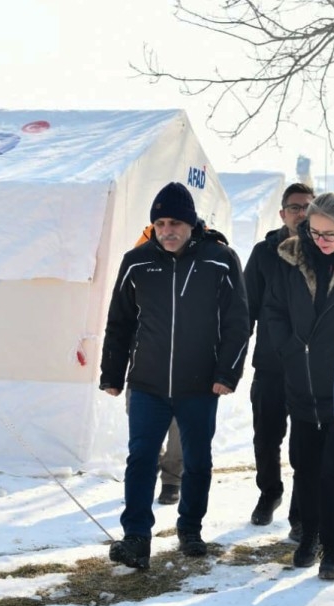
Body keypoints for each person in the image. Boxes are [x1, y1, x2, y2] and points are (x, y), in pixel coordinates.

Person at [100, 181, 250, 570]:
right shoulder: (136, 261)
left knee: (197, 461)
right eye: (161, 222)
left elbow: (238, 322)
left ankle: (190, 528)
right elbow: (119, 322)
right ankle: (136, 537)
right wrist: (112, 373)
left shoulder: (220, 259)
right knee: (141, 459)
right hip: (147, 383)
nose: (168, 230)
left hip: (200, 385)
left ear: (191, 222)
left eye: (175, 223)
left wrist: (227, 373)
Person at [263, 192, 334, 580]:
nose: (323, 240)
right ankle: (309, 534)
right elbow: (273, 309)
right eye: (316, 232)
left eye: (331, 233)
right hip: (302, 380)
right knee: (305, 465)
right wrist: (290, 347)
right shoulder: (292, 258)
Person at [244, 182, 314, 535]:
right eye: (295, 207)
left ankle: (300, 516)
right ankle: (269, 492)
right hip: (270, 364)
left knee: (305, 443)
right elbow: (247, 310)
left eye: (307, 207)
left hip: (309, 368)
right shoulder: (263, 253)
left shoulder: (324, 251)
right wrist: (231, 362)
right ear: (283, 213)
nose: (301, 213)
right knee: (265, 437)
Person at [131, 224, 184, 505]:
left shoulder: (200, 258)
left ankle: (172, 478)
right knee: (140, 422)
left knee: (178, 425)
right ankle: (148, 465)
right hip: (144, 360)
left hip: (186, 364)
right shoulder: (141, 252)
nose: (168, 229)